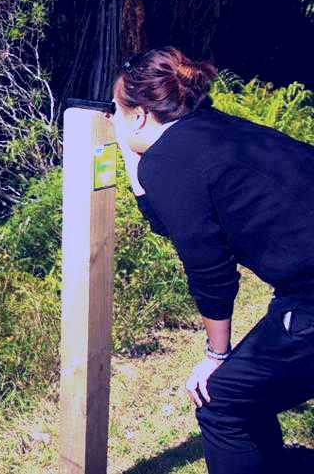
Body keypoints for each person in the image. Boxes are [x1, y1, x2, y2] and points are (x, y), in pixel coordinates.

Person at [108, 46, 314, 473]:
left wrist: (216, 355)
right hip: (301, 285)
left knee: (220, 402)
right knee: (246, 394)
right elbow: (174, 216)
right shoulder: (209, 129)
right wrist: (133, 157)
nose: (112, 118)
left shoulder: (172, 162)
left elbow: (211, 271)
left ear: (141, 115)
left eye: (116, 110)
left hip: (309, 293)